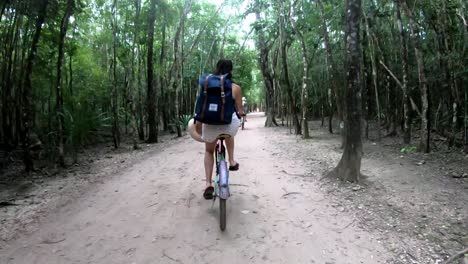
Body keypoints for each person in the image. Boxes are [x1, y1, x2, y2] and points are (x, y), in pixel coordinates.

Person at [187, 59, 245, 199]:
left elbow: (202, 105)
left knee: (208, 150)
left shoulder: (206, 84)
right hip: (228, 126)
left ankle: (208, 184)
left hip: (210, 125)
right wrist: (241, 113)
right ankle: (231, 160)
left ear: (216, 68)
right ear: (231, 70)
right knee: (229, 131)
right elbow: (240, 110)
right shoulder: (235, 87)